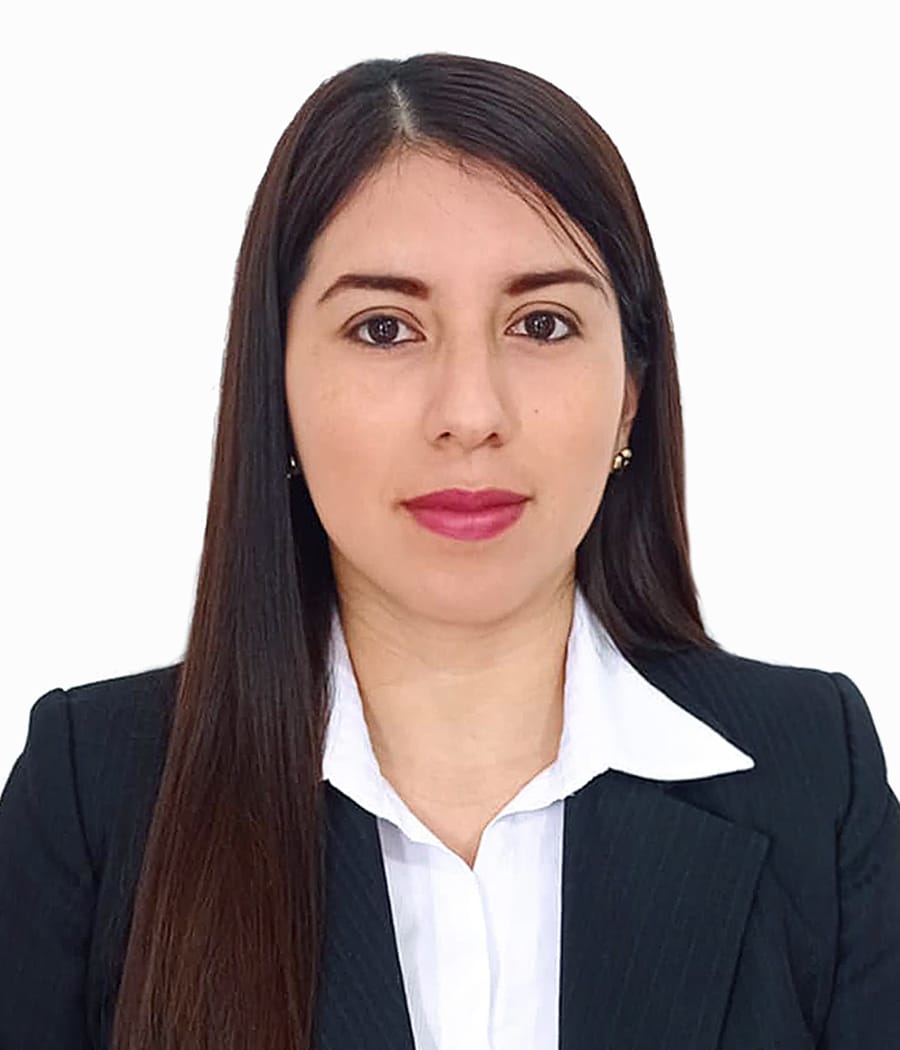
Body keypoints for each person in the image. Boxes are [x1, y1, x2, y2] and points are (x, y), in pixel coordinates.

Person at [1, 50, 897, 1050]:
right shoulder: (93, 798)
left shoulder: (814, 778)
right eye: (385, 329)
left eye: (542, 323)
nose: (471, 414)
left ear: (630, 396)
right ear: (277, 386)